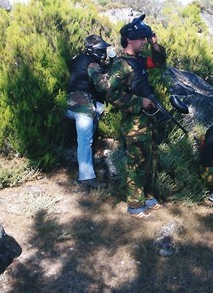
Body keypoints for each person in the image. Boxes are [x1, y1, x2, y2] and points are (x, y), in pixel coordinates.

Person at [106, 14, 166, 219]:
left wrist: (154, 42)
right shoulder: (122, 64)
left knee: (150, 160)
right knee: (137, 164)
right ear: (130, 40)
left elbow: (159, 61)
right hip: (134, 124)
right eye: (141, 39)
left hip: (147, 122)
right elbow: (111, 94)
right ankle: (134, 206)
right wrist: (139, 102)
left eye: (144, 39)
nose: (143, 42)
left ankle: (146, 197)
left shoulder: (139, 62)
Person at [65, 34, 113, 189]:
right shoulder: (92, 63)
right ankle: (86, 178)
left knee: (98, 108)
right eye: (101, 49)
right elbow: (102, 86)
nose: (103, 52)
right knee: (85, 141)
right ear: (94, 49)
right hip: (82, 104)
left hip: (69, 101)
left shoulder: (77, 58)